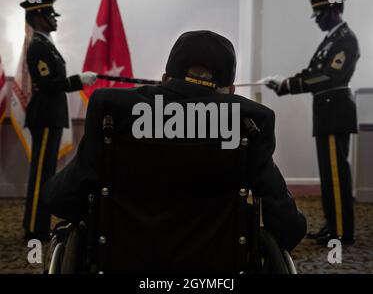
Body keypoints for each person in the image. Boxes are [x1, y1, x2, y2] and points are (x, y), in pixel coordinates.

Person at [42, 30, 306, 267]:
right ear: (230, 90)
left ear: (165, 78)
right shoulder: (249, 120)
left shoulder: (112, 110)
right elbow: (287, 227)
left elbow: (61, 200)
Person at [266, 0, 359, 245]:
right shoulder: (331, 41)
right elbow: (312, 73)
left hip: (335, 112)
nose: (317, 21)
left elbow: (328, 77)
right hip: (328, 112)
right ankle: (333, 224)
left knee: (337, 175)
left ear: (334, 11)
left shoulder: (346, 40)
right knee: (329, 176)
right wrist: (284, 84)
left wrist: (288, 84)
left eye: (320, 16)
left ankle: (341, 230)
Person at [20, 0, 97, 241]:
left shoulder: (47, 46)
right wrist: (77, 81)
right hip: (44, 114)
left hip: (51, 114)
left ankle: (38, 225)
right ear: (39, 17)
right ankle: (34, 227)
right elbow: (48, 83)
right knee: (41, 173)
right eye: (51, 15)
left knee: (46, 172)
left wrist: (76, 80)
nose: (55, 19)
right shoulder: (38, 47)